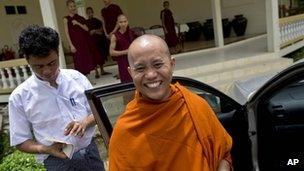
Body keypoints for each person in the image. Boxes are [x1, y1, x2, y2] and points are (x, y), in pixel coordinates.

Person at [108, 34, 233, 170]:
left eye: (157, 64)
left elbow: (223, 155)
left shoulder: (195, 104)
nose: (150, 75)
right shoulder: (125, 130)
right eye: (140, 68)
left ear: (172, 64)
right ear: (130, 73)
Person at [8, 25, 105, 171]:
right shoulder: (19, 97)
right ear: (27, 60)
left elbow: (99, 112)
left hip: (90, 153)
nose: (47, 71)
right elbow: (21, 141)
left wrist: (84, 122)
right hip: (57, 163)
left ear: (58, 53)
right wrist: (45, 149)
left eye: (52, 63)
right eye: (38, 66)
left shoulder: (77, 78)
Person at [63, 0, 100, 77]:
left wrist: (78, 23)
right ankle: (81, 79)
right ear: (67, 7)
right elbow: (67, 33)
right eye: (71, 6)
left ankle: (86, 79)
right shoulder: (66, 19)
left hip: (83, 42)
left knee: (85, 61)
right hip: (74, 44)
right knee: (78, 62)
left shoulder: (80, 18)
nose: (73, 8)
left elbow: (87, 29)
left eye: (74, 6)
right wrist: (71, 45)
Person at [109, 14, 137, 83]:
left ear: (128, 22)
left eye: (125, 21)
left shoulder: (132, 33)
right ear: (118, 23)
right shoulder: (115, 36)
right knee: (126, 82)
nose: (123, 24)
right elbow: (111, 52)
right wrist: (126, 52)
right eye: (121, 22)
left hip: (134, 60)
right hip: (123, 62)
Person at [86, 7, 110, 77]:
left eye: (91, 12)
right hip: (91, 42)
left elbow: (101, 31)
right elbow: (87, 32)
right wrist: (91, 32)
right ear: (86, 13)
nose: (90, 13)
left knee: (101, 55)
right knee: (94, 56)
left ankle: (102, 70)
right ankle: (96, 71)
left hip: (99, 41)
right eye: (88, 12)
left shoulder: (97, 21)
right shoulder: (86, 22)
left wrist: (95, 31)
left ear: (93, 12)